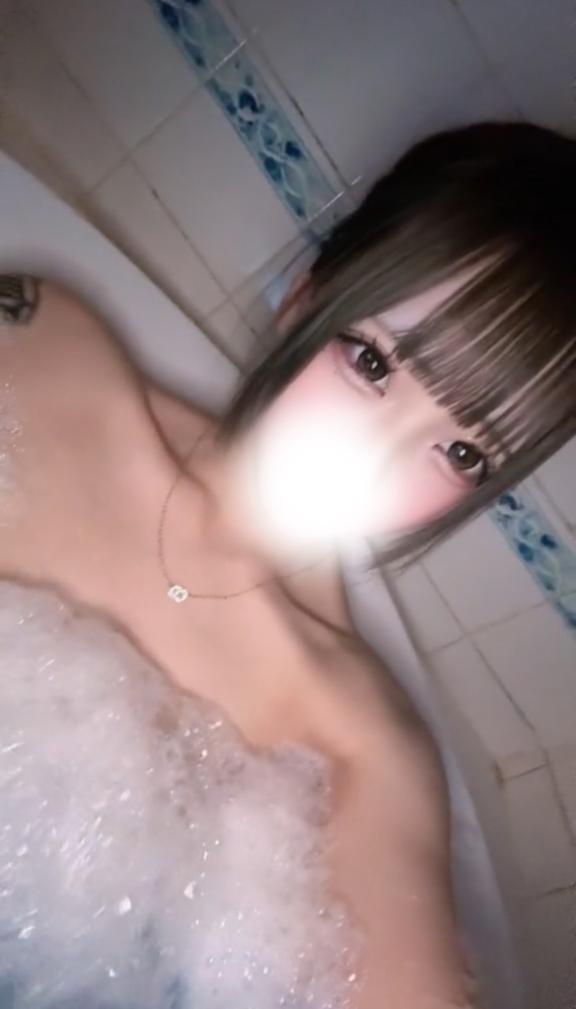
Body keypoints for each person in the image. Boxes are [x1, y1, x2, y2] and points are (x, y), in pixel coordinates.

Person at [0, 119, 575, 1009]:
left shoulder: (357, 739)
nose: (376, 454)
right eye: (372, 361)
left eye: (463, 453)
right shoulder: (44, 347)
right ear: (305, 299)